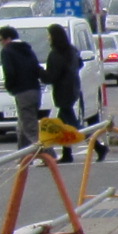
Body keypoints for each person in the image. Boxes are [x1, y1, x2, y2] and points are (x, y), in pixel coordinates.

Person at [0, 24, 44, 147]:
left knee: (30, 128)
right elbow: (36, 68)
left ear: (8, 39)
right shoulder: (27, 49)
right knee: (23, 126)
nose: (0, 43)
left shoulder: (7, 51)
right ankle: (23, 157)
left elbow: (9, 72)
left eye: (0, 39)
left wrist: (10, 87)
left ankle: (48, 155)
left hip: (22, 92)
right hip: (35, 90)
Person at [44, 23, 84, 161]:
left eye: (49, 35)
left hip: (63, 92)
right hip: (73, 89)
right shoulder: (71, 50)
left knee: (75, 125)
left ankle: (97, 145)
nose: (47, 38)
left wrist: (38, 72)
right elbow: (80, 64)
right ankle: (67, 154)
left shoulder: (56, 54)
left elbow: (51, 76)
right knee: (63, 124)